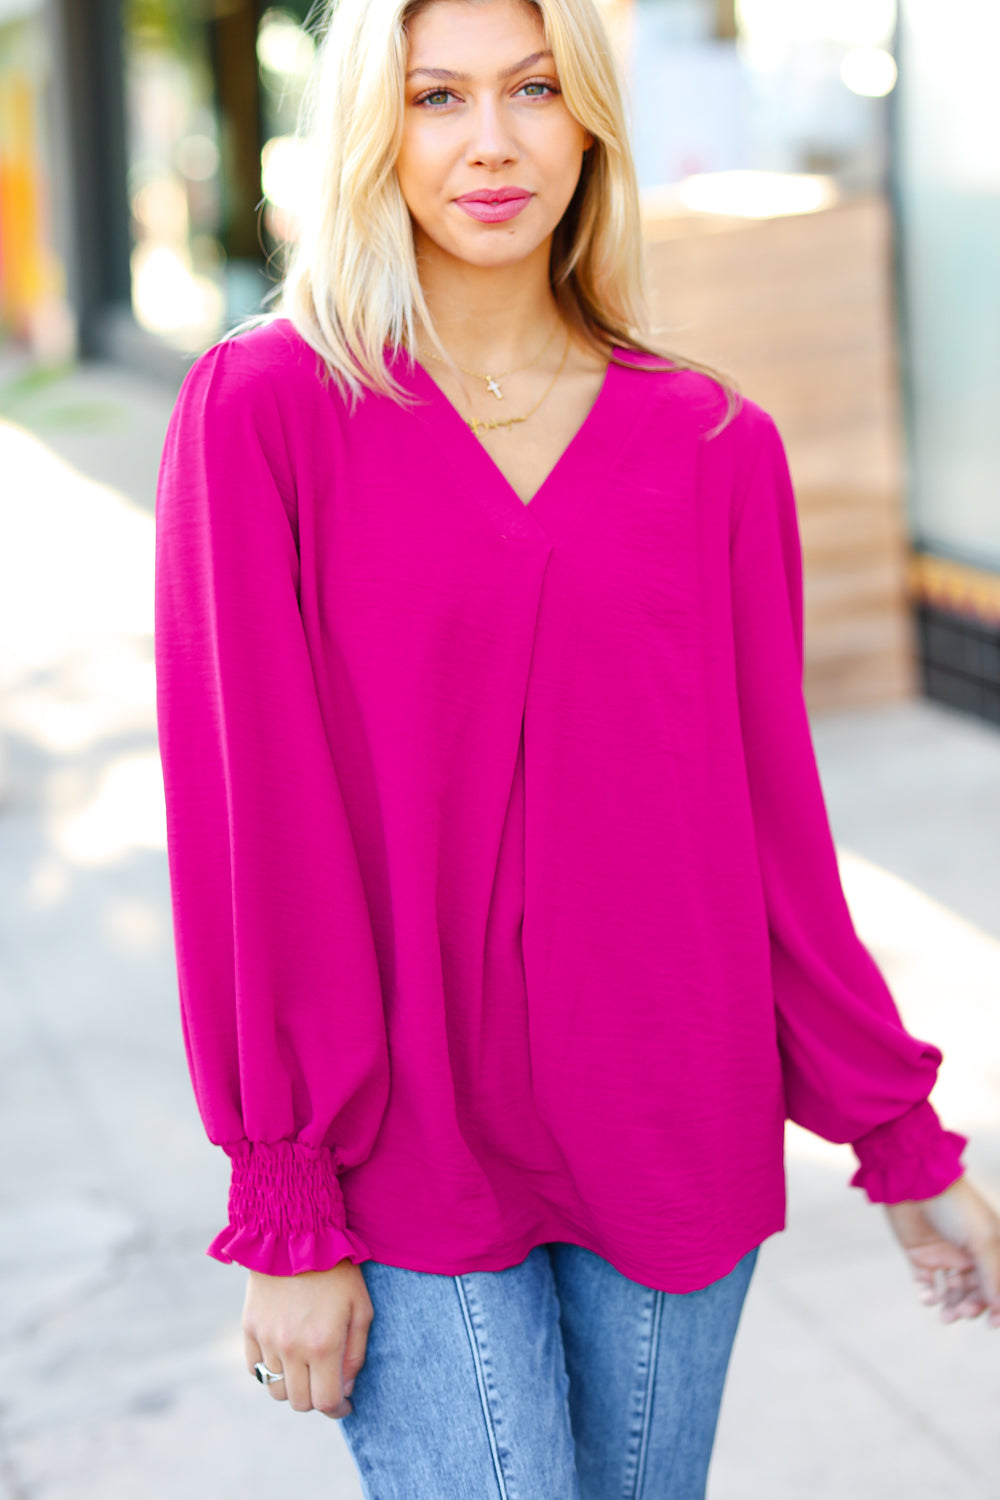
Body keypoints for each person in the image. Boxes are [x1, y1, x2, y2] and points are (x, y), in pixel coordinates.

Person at [152, 0, 1000, 1493]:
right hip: (403, 1143)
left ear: (591, 116)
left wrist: (902, 1141)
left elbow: (768, 836)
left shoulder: (715, 449)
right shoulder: (266, 413)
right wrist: (284, 1195)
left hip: (676, 1116)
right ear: (372, 127)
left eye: (536, 88)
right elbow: (253, 832)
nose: (493, 141)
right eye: (437, 97)